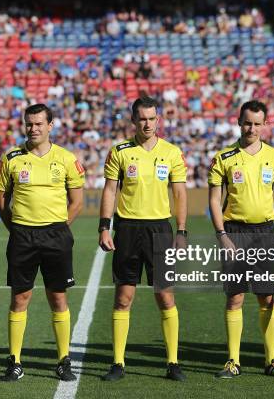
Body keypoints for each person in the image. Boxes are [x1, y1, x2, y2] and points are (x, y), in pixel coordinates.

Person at [98, 96, 188, 382]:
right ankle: (118, 363)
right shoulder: (120, 152)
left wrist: (182, 230)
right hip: (127, 230)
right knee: (124, 298)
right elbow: (110, 190)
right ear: (134, 121)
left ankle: (173, 362)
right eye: (142, 119)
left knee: (165, 296)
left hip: (160, 230)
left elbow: (180, 193)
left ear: (157, 120)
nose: (147, 123)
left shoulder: (172, 152)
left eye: (152, 118)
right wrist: (104, 227)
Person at [0, 103, 85, 382]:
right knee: (20, 297)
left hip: (56, 236)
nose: (33, 128)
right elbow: (1, 202)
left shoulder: (67, 159)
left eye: (38, 124)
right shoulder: (11, 158)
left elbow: (77, 201)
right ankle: (15, 361)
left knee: (58, 297)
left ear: (50, 125)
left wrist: (59, 226)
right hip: (22, 236)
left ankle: (63, 359)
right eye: (29, 124)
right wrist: (18, 228)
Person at [208, 100, 274, 378]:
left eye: (257, 123)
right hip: (235, 233)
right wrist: (222, 235)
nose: (252, 128)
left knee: (267, 298)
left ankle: (272, 360)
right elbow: (213, 200)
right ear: (239, 122)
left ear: (265, 125)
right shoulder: (223, 158)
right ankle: (233, 361)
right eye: (247, 122)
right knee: (235, 298)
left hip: (266, 234)